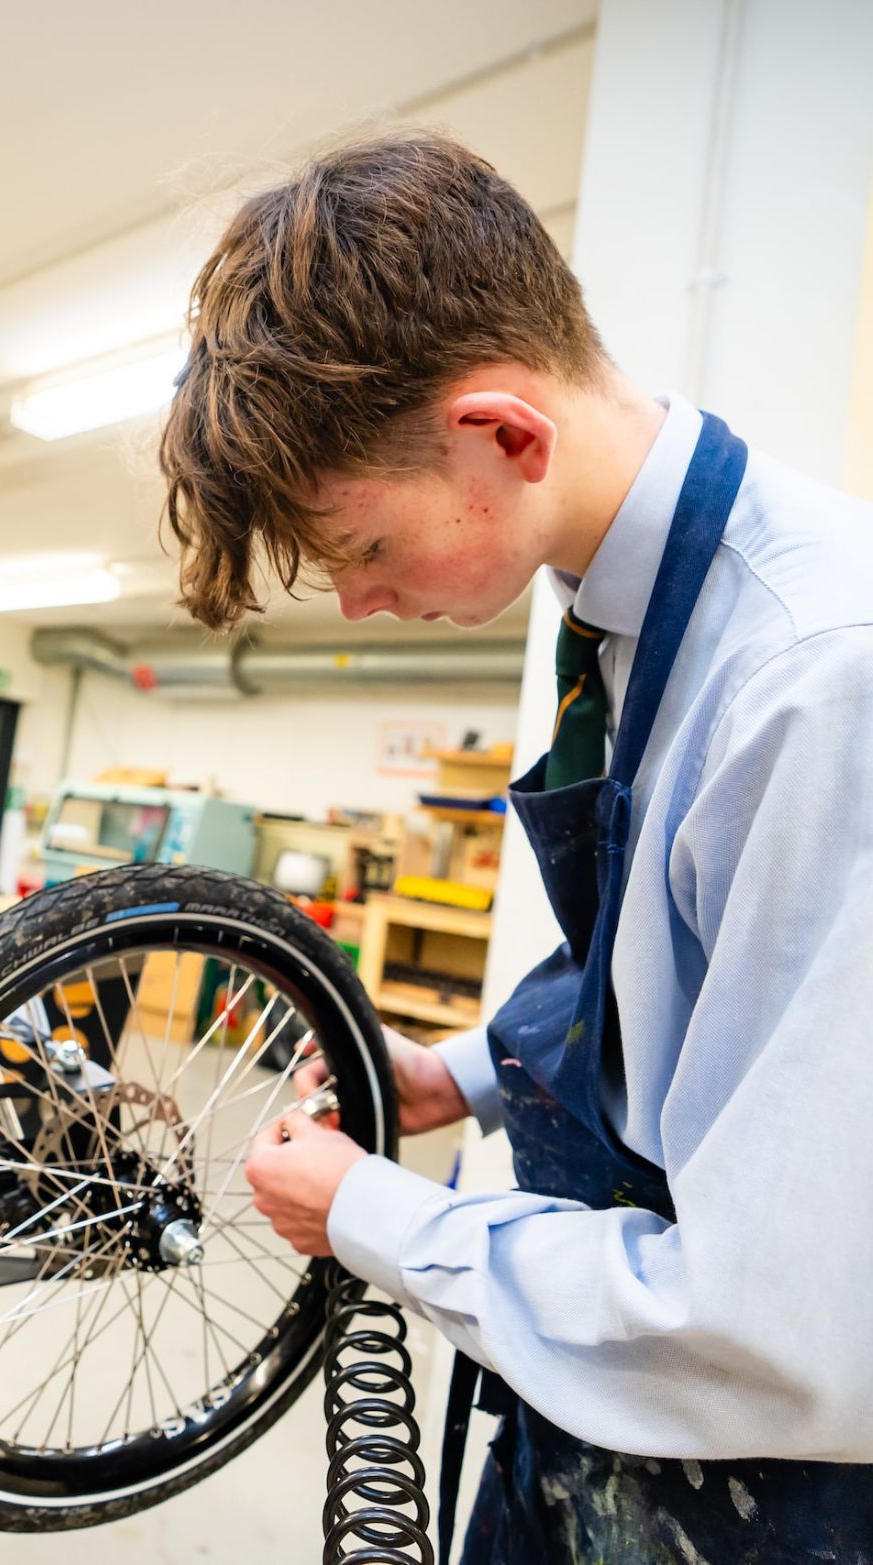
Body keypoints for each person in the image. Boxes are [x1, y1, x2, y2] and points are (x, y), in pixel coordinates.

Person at [159, 131, 873, 1563]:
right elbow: (662, 938)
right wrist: (458, 1071)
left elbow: (788, 1329)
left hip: (764, 1478)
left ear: (503, 434)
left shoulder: (817, 683)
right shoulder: (609, 600)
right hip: (593, 1418)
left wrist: (378, 1213)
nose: (356, 605)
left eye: (358, 548)